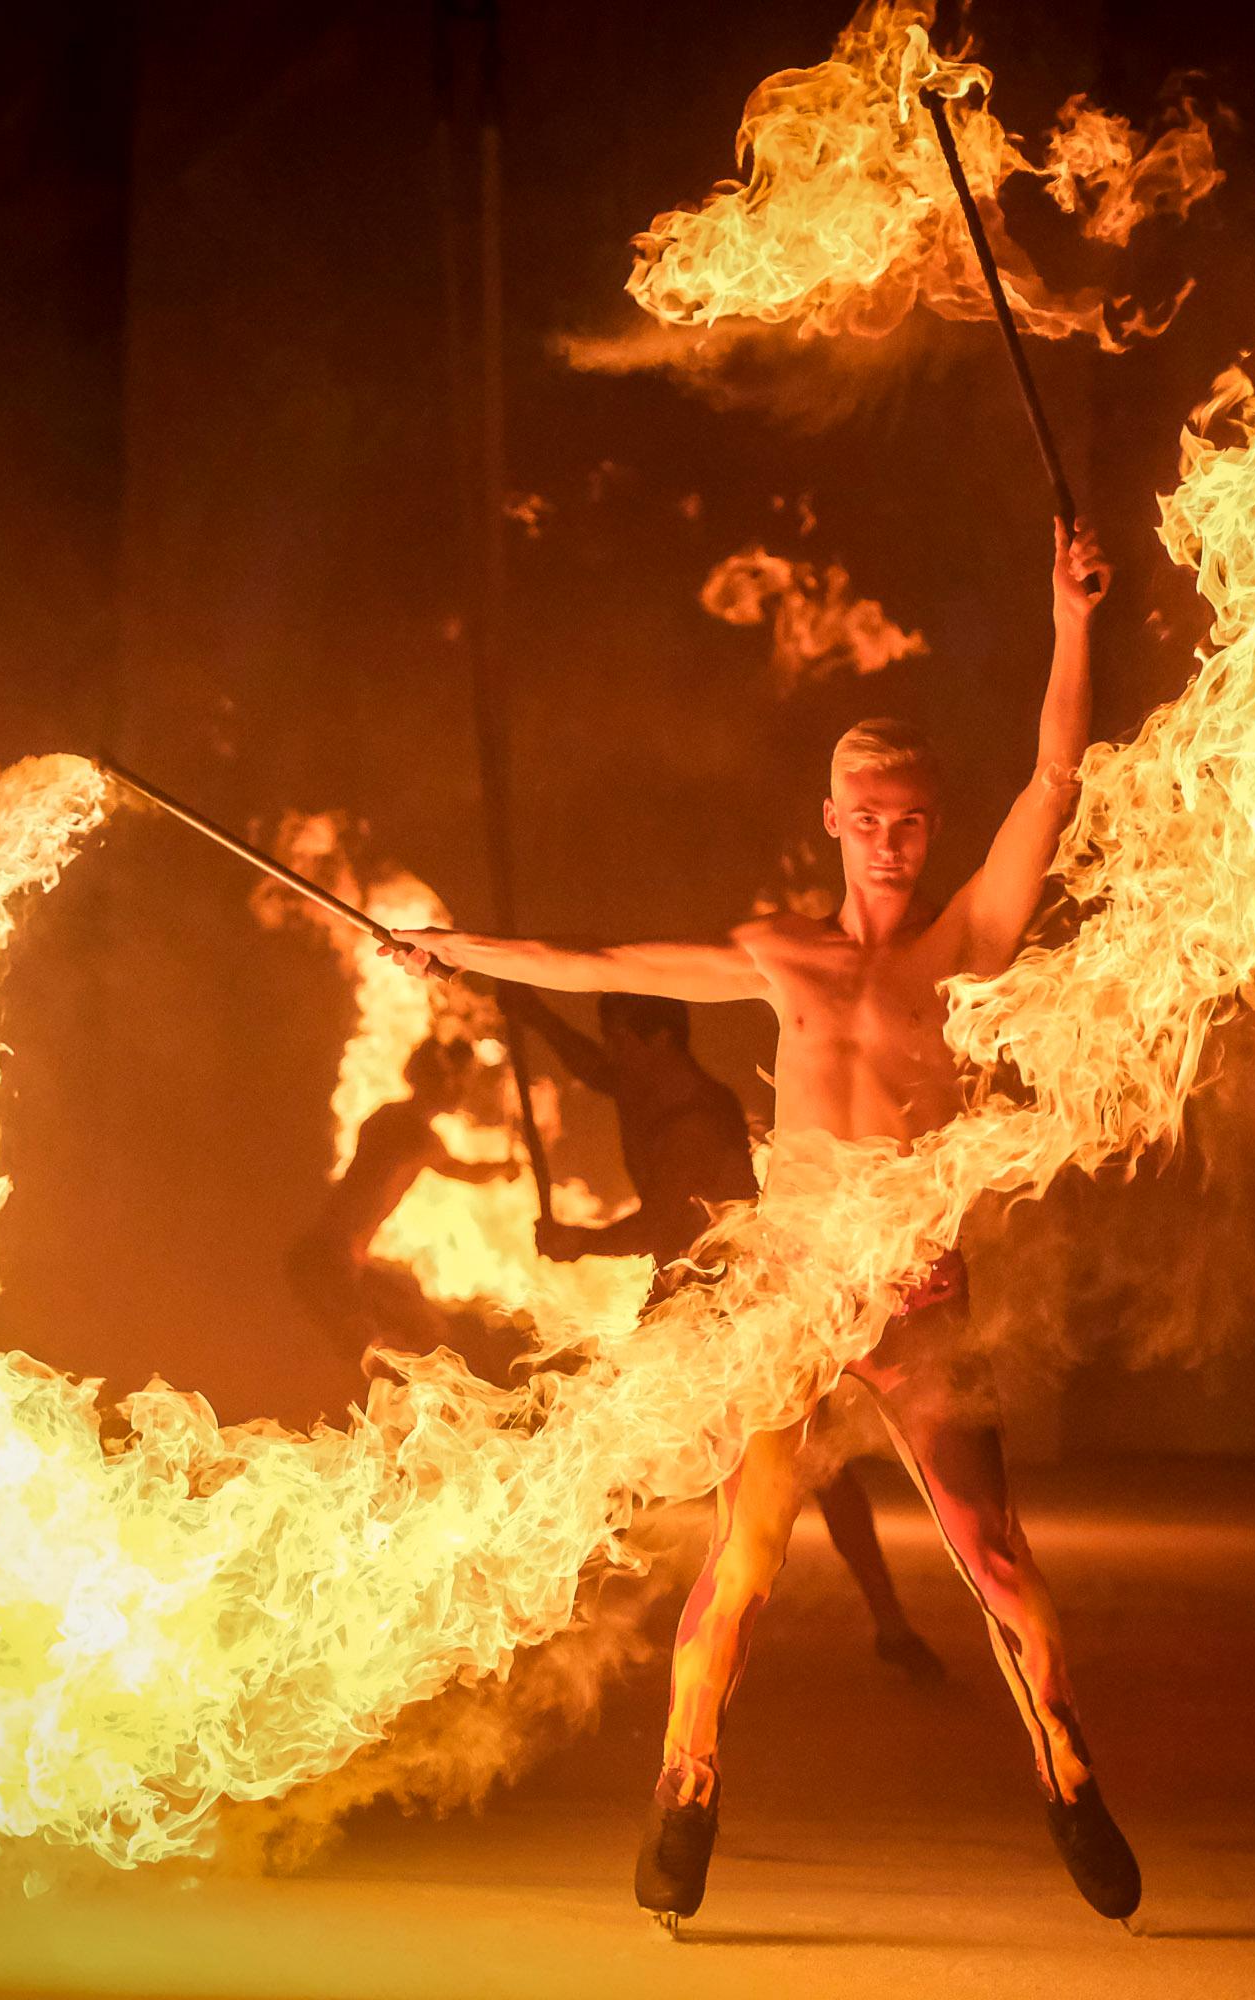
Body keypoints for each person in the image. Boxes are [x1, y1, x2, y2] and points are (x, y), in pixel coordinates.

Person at [389, 521, 1138, 1926]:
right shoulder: (779, 956)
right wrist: (447, 948)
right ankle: (685, 1790)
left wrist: (1071, 616)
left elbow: (1053, 779)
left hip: (916, 1299)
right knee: (744, 1559)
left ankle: (1069, 1775)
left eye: (920, 816)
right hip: (793, 1300)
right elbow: (594, 961)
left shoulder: (964, 944)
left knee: (994, 1561)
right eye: (879, 818)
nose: (904, 839)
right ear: (837, 823)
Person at [501, 983, 948, 1684]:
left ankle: (888, 1622)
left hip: (739, 1306)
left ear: (660, 1041)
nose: (612, 1056)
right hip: (688, 1296)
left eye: (621, 1039)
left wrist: (576, 1241)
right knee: (615, 1440)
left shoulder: (693, 1120)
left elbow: (668, 1227)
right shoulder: (645, 1084)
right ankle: (538, 1594)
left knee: (814, 1462)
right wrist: (533, 1015)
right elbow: (597, 1069)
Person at [286, 1035, 513, 1379]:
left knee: (422, 1334)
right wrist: (506, 1168)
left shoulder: (388, 1116)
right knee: (397, 1345)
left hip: (333, 1256)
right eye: (458, 1081)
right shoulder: (415, 1135)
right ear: (441, 1083)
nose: (462, 1092)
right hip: (332, 1261)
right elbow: (466, 1172)